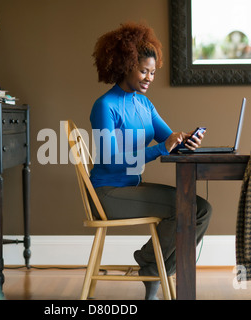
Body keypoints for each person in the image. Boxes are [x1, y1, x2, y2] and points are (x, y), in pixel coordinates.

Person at [89, 22, 212, 299]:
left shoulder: (144, 104)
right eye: (143, 71)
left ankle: (151, 265)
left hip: (132, 187)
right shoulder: (105, 106)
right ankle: (151, 265)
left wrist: (186, 141)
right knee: (190, 207)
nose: (149, 78)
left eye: (153, 72)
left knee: (201, 209)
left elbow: (169, 140)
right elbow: (109, 161)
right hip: (107, 194)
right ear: (125, 65)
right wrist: (161, 149)